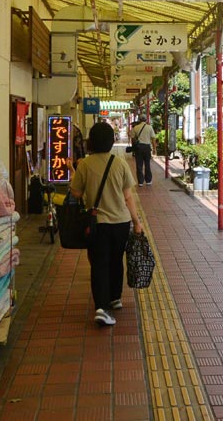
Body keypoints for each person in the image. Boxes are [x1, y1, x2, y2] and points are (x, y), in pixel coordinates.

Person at [70, 122, 143, 327]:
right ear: (112, 141)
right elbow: (129, 197)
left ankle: (101, 307)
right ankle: (115, 297)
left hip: (97, 223)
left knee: (99, 263)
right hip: (121, 222)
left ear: (90, 141)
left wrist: (73, 173)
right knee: (116, 259)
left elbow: (76, 193)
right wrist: (137, 222)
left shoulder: (84, 164)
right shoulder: (119, 163)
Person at [130, 116, 156, 187]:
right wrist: (154, 149)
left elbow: (132, 138)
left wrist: (134, 147)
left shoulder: (135, 127)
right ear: (146, 120)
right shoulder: (150, 127)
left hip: (139, 148)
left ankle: (140, 182)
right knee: (147, 164)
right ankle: (148, 181)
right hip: (147, 147)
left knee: (139, 165)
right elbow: (153, 139)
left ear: (139, 120)